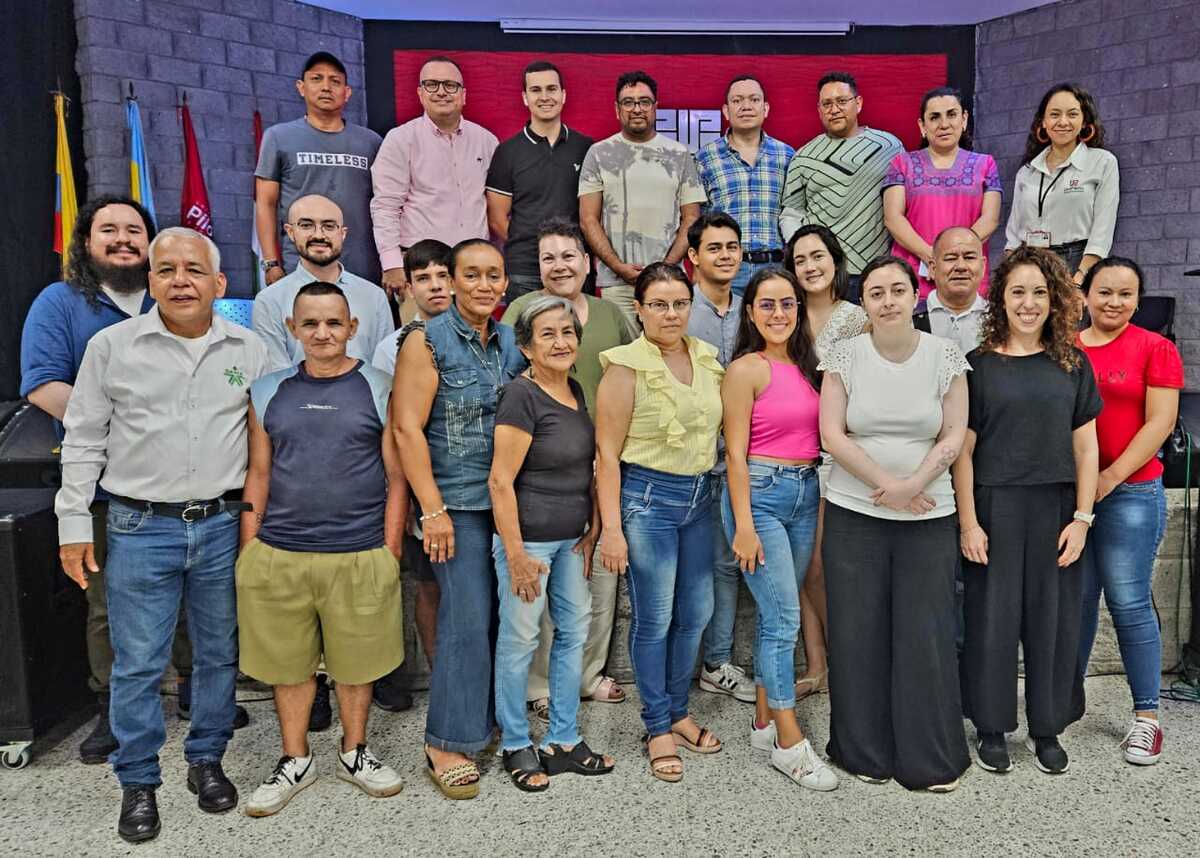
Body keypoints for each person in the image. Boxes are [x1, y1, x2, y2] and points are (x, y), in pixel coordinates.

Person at [55, 228, 268, 843]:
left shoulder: (248, 349)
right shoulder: (111, 347)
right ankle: (139, 779)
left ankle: (206, 758)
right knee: (140, 663)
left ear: (219, 284)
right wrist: (73, 524)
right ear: (150, 282)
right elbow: (84, 439)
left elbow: (262, 443)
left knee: (218, 655)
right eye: (167, 269)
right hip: (139, 525)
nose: (181, 280)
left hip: (222, 523)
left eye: (194, 270)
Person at [19, 196, 238, 764]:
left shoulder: (219, 331)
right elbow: (45, 385)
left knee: (205, 621)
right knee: (111, 613)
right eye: (108, 230)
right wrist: (131, 435)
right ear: (86, 241)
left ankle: (198, 705)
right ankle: (112, 714)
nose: (122, 240)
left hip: (206, 507)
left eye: (133, 230)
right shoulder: (66, 307)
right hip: (117, 493)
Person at [239, 282, 407, 816]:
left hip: (359, 552)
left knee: (358, 664)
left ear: (352, 327)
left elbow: (397, 477)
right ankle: (295, 758)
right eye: (309, 324)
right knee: (289, 666)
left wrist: (390, 550)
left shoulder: (381, 386)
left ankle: (355, 751)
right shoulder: (267, 390)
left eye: (334, 323)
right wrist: (250, 551)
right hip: (280, 552)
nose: (322, 333)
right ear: (293, 329)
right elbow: (258, 472)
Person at [819, 255, 971, 792]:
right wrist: (887, 484)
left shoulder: (945, 355)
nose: (887, 301)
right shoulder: (843, 355)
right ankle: (862, 751)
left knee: (924, 633)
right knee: (858, 631)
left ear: (915, 296)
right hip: (854, 512)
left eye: (897, 290)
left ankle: (930, 759)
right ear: (865, 302)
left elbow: (954, 435)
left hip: (929, 514)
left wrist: (913, 486)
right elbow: (832, 436)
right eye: (876, 292)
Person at [953, 245, 1102, 776]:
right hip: (994, 507)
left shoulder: (1072, 363)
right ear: (1001, 298)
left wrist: (1082, 519)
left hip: (1056, 509)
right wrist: (968, 521)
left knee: (1052, 622)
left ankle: (1047, 728)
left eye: (1040, 291)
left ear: (1054, 297)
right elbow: (963, 452)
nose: (1029, 302)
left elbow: (1087, 448)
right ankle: (991, 727)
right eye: (1018, 291)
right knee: (991, 621)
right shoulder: (978, 367)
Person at [392, 239, 526, 799]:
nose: (483, 284)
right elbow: (404, 429)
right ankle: (446, 740)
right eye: (470, 274)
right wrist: (432, 509)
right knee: (465, 619)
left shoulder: (509, 342)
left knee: (500, 617)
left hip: (507, 501)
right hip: (456, 505)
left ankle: (484, 718)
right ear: (451, 280)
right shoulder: (427, 340)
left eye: (493, 275)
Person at [595, 263, 725, 782]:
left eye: (679, 304)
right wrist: (610, 526)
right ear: (640, 309)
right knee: (655, 617)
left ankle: (677, 710)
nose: (671, 314)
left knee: (696, 612)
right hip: (648, 499)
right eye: (659, 304)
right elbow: (606, 453)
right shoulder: (625, 367)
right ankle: (656, 725)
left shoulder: (709, 359)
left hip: (700, 498)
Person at [502, 219, 634, 720]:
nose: (560, 266)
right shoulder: (522, 310)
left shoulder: (609, 314)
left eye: (568, 256)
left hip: (603, 462)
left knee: (597, 576)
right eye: (548, 258)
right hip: (543, 467)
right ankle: (539, 684)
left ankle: (586, 674)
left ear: (587, 262)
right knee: (543, 584)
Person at [489, 295, 616, 792]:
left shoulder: (577, 391)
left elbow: (584, 466)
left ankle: (563, 739)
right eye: (547, 334)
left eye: (567, 332)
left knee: (573, 634)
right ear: (526, 347)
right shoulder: (521, 396)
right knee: (520, 641)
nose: (561, 341)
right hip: (530, 545)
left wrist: (591, 524)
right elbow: (501, 481)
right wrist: (516, 554)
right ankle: (517, 743)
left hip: (572, 542)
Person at [722, 268, 838, 791]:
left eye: (787, 304)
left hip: (804, 491)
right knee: (784, 617)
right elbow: (735, 455)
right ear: (750, 313)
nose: (778, 314)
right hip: (762, 497)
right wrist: (743, 524)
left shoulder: (809, 367)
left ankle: (764, 723)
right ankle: (790, 745)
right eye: (766, 305)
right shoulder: (746, 368)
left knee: (778, 611)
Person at [1073, 257, 1182, 766]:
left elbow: (1159, 423)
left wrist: (1110, 479)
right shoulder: (1065, 349)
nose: (1114, 302)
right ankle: (1063, 707)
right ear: (1086, 295)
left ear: (1138, 300)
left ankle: (1147, 719)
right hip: (1072, 497)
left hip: (1130, 493)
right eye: (1104, 292)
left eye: (1125, 294)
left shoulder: (1155, 348)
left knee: (1128, 602)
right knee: (1074, 604)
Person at [785, 224, 868, 700]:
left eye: (818, 256)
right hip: (792, 453)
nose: (810, 267)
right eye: (800, 260)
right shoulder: (784, 314)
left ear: (835, 260)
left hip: (844, 455)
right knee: (803, 565)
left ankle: (846, 661)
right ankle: (817, 666)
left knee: (822, 564)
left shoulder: (857, 318)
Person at [370, 239, 452, 714]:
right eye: (424, 278)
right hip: (422, 489)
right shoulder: (392, 347)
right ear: (408, 286)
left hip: (475, 485)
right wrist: (399, 498)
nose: (436, 286)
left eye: (443, 275)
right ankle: (440, 672)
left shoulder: (486, 334)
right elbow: (392, 428)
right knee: (429, 585)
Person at [683, 212, 757, 705]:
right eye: (714, 247)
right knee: (692, 569)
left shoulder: (750, 307)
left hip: (740, 458)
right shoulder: (679, 309)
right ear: (693, 257)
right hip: (690, 461)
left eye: (732, 247)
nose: (725, 255)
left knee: (730, 563)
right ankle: (682, 666)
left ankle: (719, 661)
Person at [579, 71, 707, 328]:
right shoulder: (599, 153)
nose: (637, 108)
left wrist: (664, 269)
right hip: (616, 283)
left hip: (668, 283)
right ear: (617, 109)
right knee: (620, 357)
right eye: (628, 102)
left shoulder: (679, 154)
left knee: (668, 355)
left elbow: (691, 218)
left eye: (644, 102)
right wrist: (618, 266)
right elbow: (588, 219)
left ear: (656, 107)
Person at [371, 55, 498, 299]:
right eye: (432, 84)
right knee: (422, 336)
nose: (442, 92)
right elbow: (385, 206)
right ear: (420, 93)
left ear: (463, 94)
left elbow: (496, 207)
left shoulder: (486, 141)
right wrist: (392, 264)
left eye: (450, 85)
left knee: (473, 335)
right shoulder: (400, 140)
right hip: (422, 266)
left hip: (474, 266)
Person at [256, 51, 383, 286]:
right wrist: (271, 263)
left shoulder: (371, 142)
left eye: (335, 81)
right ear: (301, 87)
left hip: (363, 269)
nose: (326, 87)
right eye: (317, 79)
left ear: (347, 93)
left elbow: (386, 205)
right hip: (301, 268)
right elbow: (266, 203)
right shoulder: (278, 137)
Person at [779, 72, 903, 291]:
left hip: (876, 272)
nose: (834, 109)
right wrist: (803, 254)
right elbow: (791, 214)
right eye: (826, 104)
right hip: (824, 276)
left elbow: (906, 206)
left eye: (841, 101)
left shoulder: (890, 147)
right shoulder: (803, 157)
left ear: (859, 103)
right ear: (819, 110)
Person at [486, 61, 594, 304]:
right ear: (525, 98)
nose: (545, 97)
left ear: (563, 95)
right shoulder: (507, 152)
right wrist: (540, 249)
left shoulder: (587, 148)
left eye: (551, 89)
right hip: (525, 269)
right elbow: (497, 218)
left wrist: (563, 253)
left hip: (575, 267)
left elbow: (594, 213)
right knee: (528, 339)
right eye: (536, 90)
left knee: (578, 339)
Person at [883, 87, 1001, 300]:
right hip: (912, 277)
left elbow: (990, 219)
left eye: (952, 114)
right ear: (922, 125)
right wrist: (932, 257)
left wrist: (955, 259)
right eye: (934, 117)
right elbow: (893, 218)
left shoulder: (986, 164)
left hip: (966, 275)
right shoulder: (901, 163)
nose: (944, 124)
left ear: (964, 119)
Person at [254, 194, 393, 372]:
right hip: (296, 399)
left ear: (342, 233)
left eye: (329, 226)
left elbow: (384, 370)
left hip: (367, 398)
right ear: (290, 232)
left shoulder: (374, 297)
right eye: (306, 225)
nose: (319, 235)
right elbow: (276, 377)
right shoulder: (269, 301)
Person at [1004, 83, 1118, 284]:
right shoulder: (1027, 171)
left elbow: (1102, 231)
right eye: (1055, 114)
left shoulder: (1102, 162)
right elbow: (1014, 233)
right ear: (1043, 122)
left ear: (1084, 121)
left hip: (1075, 263)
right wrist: (1009, 276)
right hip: (1028, 262)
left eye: (1072, 114)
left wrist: (1080, 277)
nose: (1063, 122)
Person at [696, 76, 795, 295]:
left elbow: (794, 213)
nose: (746, 106)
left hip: (776, 267)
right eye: (737, 100)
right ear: (726, 110)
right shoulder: (706, 158)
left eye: (754, 99)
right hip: (726, 269)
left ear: (765, 108)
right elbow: (698, 221)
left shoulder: (787, 156)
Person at [912, 227, 989, 354]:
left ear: (983, 266)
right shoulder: (909, 319)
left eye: (969, 257)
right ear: (932, 268)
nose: (961, 266)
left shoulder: (998, 319)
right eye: (950, 258)